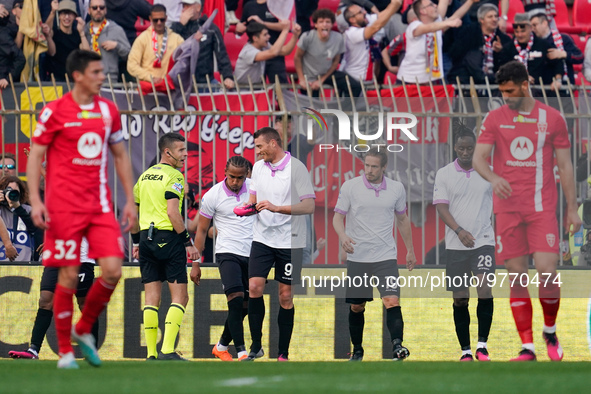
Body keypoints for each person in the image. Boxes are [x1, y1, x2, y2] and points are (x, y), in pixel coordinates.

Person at [26, 49, 137, 369]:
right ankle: (64, 352)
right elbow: (35, 157)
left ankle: (83, 328)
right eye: (97, 72)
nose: (103, 77)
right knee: (69, 275)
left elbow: (119, 155)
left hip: (99, 208)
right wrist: (36, 200)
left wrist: (129, 200)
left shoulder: (108, 111)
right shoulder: (54, 112)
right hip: (62, 210)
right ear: (78, 76)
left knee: (114, 270)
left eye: (103, 71)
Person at [473, 60, 581, 361]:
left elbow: (565, 165)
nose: (506, 97)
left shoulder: (553, 118)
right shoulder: (495, 118)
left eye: (510, 91)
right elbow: (480, 158)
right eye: (502, 91)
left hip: (541, 208)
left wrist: (572, 209)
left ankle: (549, 329)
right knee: (516, 276)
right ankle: (528, 347)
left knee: (547, 271)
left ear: (525, 84)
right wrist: (494, 178)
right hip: (507, 210)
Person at [333, 147, 417, 361]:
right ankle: (358, 349)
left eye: (374, 166)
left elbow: (402, 220)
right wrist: (343, 237)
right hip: (358, 257)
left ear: (384, 167)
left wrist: (410, 250)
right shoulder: (350, 186)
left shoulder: (397, 188)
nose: (369, 170)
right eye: (366, 165)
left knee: (392, 301)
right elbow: (337, 218)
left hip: (386, 257)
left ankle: (397, 346)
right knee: (357, 306)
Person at [243, 127, 315, 361]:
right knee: (254, 287)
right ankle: (256, 346)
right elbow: (253, 201)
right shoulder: (258, 169)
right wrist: (246, 209)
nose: (258, 151)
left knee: (285, 296)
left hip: (290, 241)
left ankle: (283, 352)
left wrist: (276, 208)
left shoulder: (297, 168)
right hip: (262, 238)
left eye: (260, 146)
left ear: (274, 143)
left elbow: (309, 206)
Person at [131, 133, 200, 361]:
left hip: (145, 240)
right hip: (168, 239)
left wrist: (135, 242)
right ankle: (168, 350)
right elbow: (173, 213)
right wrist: (188, 243)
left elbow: (132, 216)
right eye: (181, 150)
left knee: (151, 299)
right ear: (167, 152)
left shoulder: (143, 177)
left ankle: (151, 353)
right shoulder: (175, 176)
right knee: (180, 297)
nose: (185, 154)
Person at [433, 129, 495, 362]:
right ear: (455, 148)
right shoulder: (444, 174)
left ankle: (482, 346)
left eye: (470, 148)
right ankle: (466, 350)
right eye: (462, 148)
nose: (466, 152)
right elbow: (441, 207)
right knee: (460, 298)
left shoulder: (487, 171)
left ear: (476, 146)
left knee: (484, 289)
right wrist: (459, 232)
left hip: (484, 242)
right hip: (456, 246)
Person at [189, 156, 254, 361]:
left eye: (240, 178)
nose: (235, 182)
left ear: (247, 176)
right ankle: (242, 353)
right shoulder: (212, 195)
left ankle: (221, 346)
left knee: (245, 307)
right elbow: (201, 231)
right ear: (225, 172)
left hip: (253, 254)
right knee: (235, 302)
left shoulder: (255, 188)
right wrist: (195, 264)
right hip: (227, 253)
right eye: (232, 177)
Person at [8, 238, 98, 360]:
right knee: (45, 301)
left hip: (80, 258)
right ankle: (33, 349)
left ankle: (92, 350)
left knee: (84, 304)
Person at [397, 0, 473, 84]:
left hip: (431, 80)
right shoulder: (414, 26)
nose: (435, 6)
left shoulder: (437, 24)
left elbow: (454, 14)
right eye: (431, 5)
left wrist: (470, 2)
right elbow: (429, 28)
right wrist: (448, 23)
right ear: (423, 11)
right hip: (409, 80)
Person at [170, 0, 235, 89]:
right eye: (183, 6)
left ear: (198, 8)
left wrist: (228, 77)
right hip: (181, 82)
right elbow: (169, 46)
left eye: (188, 6)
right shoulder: (176, 27)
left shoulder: (211, 28)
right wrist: (180, 25)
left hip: (205, 82)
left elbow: (222, 54)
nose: (184, 9)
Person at [294, 8, 357, 97]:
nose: (324, 24)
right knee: (311, 106)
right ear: (315, 25)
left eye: (328, 22)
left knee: (354, 86)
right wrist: (301, 79)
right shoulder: (307, 37)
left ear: (331, 25)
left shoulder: (338, 38)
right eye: (321, 22)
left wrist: (322, 80)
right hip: (309, 76)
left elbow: (336, 61)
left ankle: (342, 110)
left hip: (327, 73)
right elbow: (297, 57)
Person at [448, 3, 511, 84]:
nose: (494, 19)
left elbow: (508, 63)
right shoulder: (468, 34)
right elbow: (457, 56)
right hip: (468, 81)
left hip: (495, 83)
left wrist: (501, 51)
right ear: (481, 20)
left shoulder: (503, 39)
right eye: (490, 17)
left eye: (496, 16)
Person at [340, 0, 401, 83]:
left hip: (370, 81)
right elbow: (375, 28)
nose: (365, 12)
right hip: (354, 81)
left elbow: (382, 16)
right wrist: (394, 5)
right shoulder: (351, 33)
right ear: (352, 20)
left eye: (363, 9)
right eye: (360, 12)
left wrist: (395, 4)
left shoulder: (365, 20)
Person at [497, 13, 562, 89]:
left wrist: (558, 80)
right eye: (517, 32)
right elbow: (503, 70)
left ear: (530, 28)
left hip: (541, 90)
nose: (520, 35)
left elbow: (557, 63)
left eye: (523, 31)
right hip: (517, 91)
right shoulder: (508, 48)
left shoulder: (543, 44)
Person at [127, 4, 184, 84]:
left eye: (162, 19)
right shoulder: (142, 39)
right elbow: (131, 66)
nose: (159, 23)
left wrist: (170, 78)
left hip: (169, 89)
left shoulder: (177, 39)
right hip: (147, 89)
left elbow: (184, 63)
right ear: (150, 19)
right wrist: (150, 78)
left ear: (166, 18)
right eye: (155, 20)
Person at [234, 21, 300, 85]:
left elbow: (285, 51)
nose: (269, 36)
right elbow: (273, 53)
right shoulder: (248, 52)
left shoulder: (264, 46)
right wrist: (285, 30)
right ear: (255, 38)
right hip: (241, 90)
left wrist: (295, 35)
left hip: (254, 89)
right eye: (265, 34)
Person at [530, 12, 583, 86]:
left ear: (545, 23)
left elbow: (579, 57)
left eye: (535, 25)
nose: (533, 29)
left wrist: (563, 54)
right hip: (541, 85)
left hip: (564, 85)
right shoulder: (532, 43)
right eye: (531, 26)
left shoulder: (563, 38)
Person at [84, 0, 131, 81]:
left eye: (101, 7)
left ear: (106, 10)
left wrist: (117, 46)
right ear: (89, 10)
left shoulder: (116, 30)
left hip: (109, 81)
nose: (98, 10)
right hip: (88, 80)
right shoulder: (84, 30)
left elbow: (130, 56)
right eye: (95, 8)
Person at [44, 0, 90, 82]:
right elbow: (46, 30)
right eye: (64, 13)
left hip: (73, 80)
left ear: (74, 16)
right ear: (59, 16)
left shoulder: (77, 35)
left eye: (70, 14)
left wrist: (82, 32)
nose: (67, 17)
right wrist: (53, 12)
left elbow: (87, 54)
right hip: (56, 80)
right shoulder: (55, 33)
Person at [0, 176, 36, 261]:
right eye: (8, 191)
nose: (11, 194)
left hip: (24, 262)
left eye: (15, 192)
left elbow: (34, 229)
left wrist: (18, 208)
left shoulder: (28, 210)